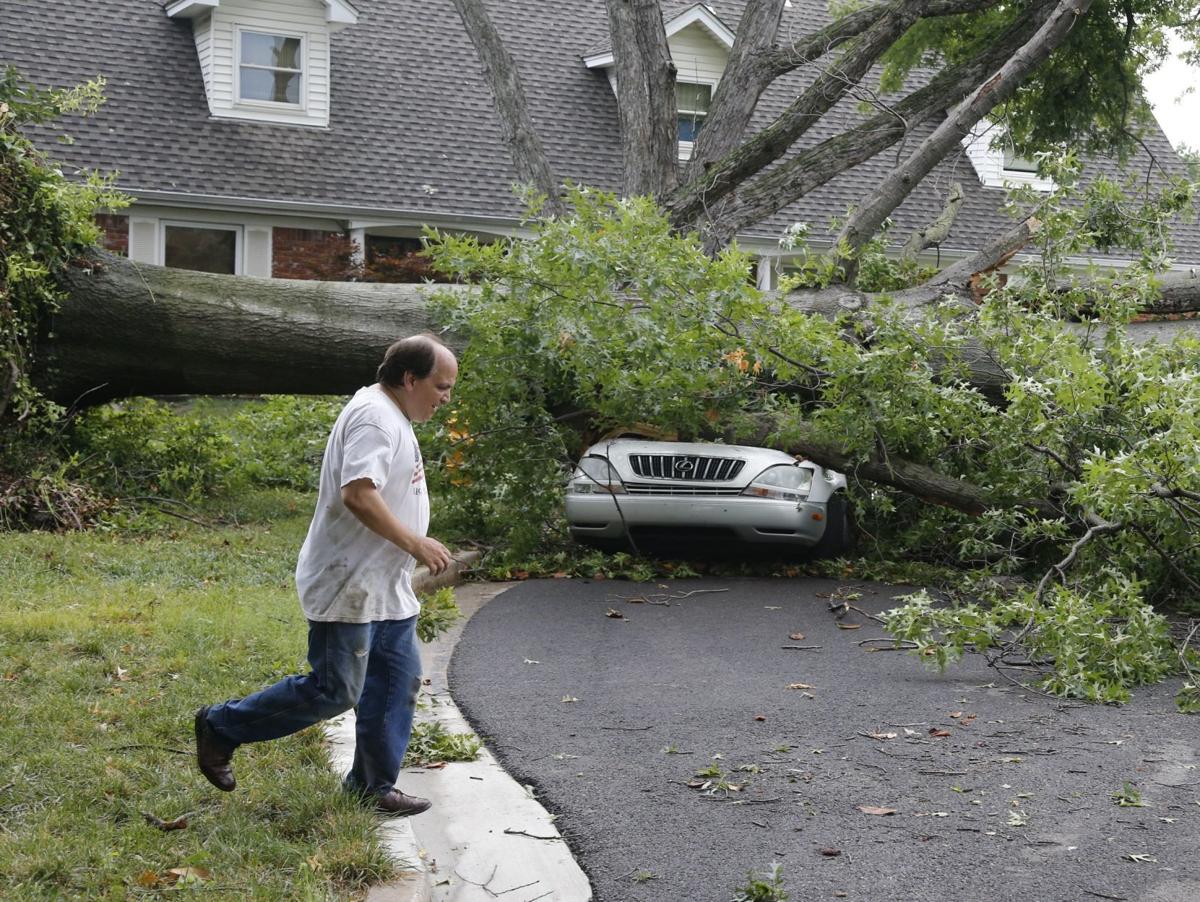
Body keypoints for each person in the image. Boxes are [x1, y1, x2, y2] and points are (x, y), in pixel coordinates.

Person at [194, 334, 458, 816]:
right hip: (349, 582)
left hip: (384, 586)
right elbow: (358, 493)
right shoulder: (376, 418)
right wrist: (415, 543)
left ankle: (370, 787)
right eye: (441, 386)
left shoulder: (390, 412)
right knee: (335, 690)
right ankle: (220, 726)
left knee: (396, 683)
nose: (445, 398)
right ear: (409, 378)